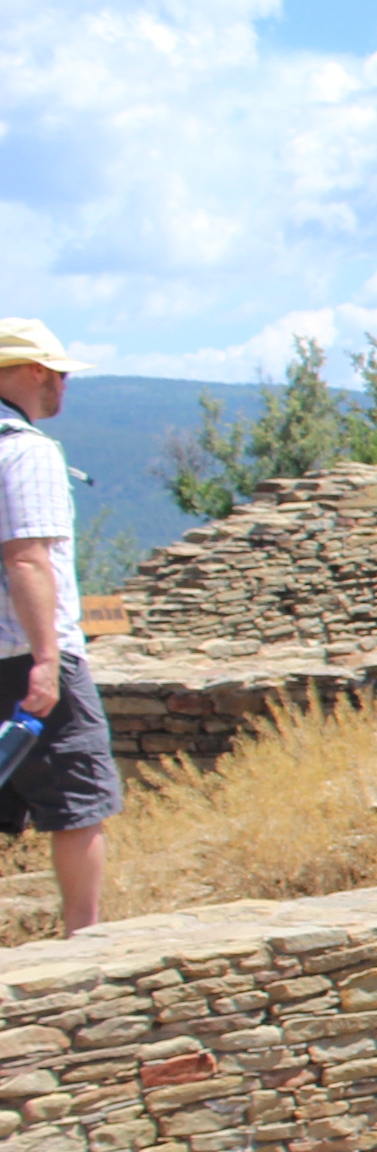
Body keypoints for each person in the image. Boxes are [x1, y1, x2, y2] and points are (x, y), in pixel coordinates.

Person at [0, 320, 118, 934]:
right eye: (60, 372)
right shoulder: (25, 450)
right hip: (24, 651)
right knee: (78, 803)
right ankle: (82, 944)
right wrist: (47, 659)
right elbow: (26, 556)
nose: (64, 386)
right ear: (35, 371)